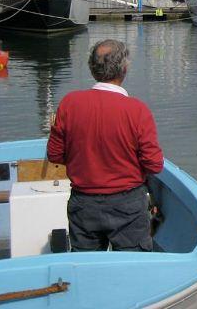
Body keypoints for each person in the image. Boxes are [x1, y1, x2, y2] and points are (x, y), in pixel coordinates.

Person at [47, 39, 163, 252]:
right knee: (132, 266)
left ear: (92, 68)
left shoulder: (69, 104)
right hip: (127, 203)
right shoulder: (137, 110)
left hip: (83, 203)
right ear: (125, 69)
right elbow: (154, 164)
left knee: (86, 267)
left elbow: (54, 155)